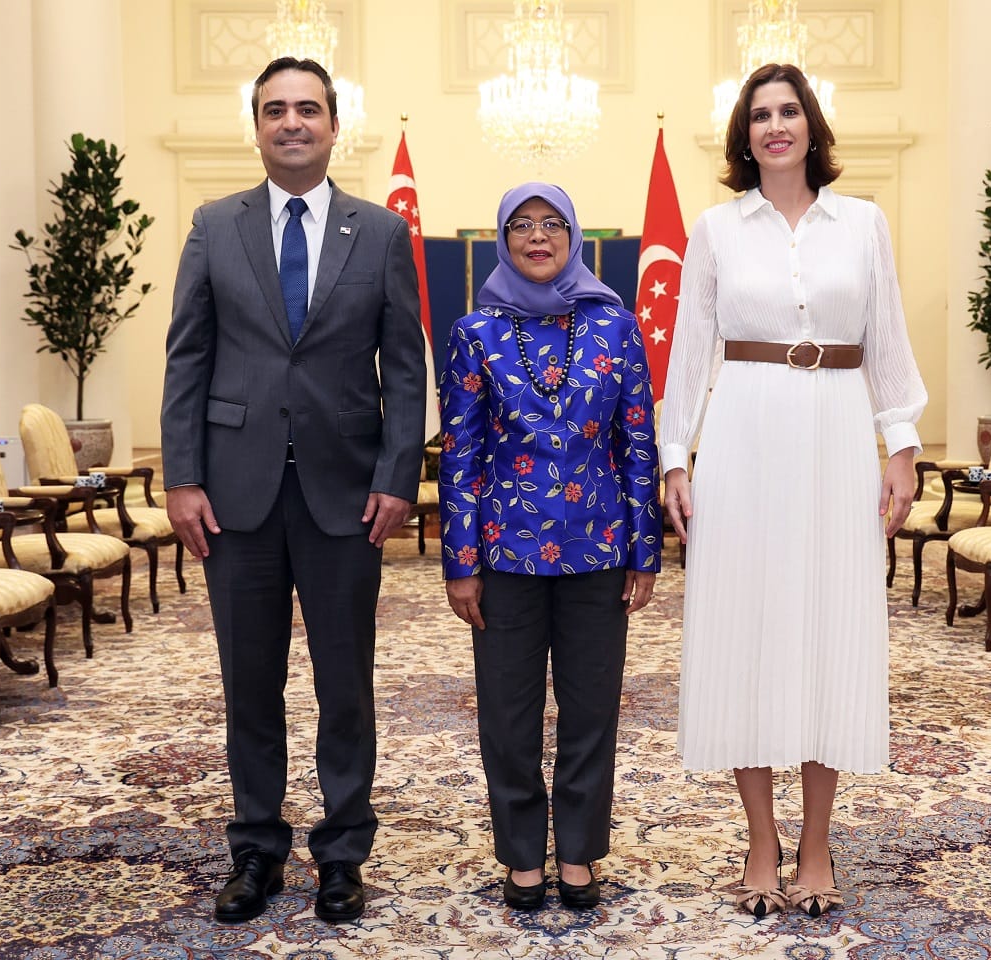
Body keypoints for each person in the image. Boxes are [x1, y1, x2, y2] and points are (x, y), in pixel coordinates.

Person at [160, 56, 426, 925]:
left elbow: (406, 367)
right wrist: (183, 477)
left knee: (344, 684)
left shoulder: (380, 233)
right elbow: (187, 358)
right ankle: (256, 850)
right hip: (235, 497)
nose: (292, 123)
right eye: (275, 110)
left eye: (307, 109)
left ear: (333, 125)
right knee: (250, 684)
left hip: (346, 497)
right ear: (258, 125)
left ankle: (344, 853)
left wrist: (397, 477)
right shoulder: (213, 225)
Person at [659, 63, 927, 919]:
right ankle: (762, 837)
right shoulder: (715, 228)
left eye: (790, 111)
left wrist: (903, 444)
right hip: (744, 434)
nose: (777, 126)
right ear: (744, 136)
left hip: (835, 434)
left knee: (827, 627)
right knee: (748, 624)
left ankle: (817, 841)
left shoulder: (865, 224)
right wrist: (676, 457)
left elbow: (887, 339)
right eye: (761, 115)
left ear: (812, 126)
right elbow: (690, 353)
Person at [439, 183, 662, 911]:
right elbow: (461, 454)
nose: (539, 237)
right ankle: (520, 855)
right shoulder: (475, 331)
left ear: (573, 238)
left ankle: (579, 854)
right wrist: (460, 563)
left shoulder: (615, 327)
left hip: (597, 549)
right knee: (507, 713)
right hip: (505, 557)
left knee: (591, 709)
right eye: (523, 226)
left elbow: (637, 444)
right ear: (503, 239)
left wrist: (645, 549)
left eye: (553, 224)